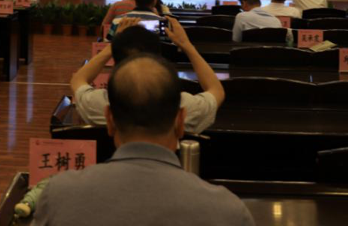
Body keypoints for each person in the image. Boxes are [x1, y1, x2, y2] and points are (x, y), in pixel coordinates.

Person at [37, 54, 254, 226]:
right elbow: (216, 91)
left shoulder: (57, 195)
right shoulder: (228, 210)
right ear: (180, 121)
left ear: (110, 120)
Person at [73, 18, 224, 134]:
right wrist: (186, 45)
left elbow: (78, 80)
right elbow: (216, 90)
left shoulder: (100, 105)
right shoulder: (184, 107)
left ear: (109, 117)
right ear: (158, 60)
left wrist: (113, 44)